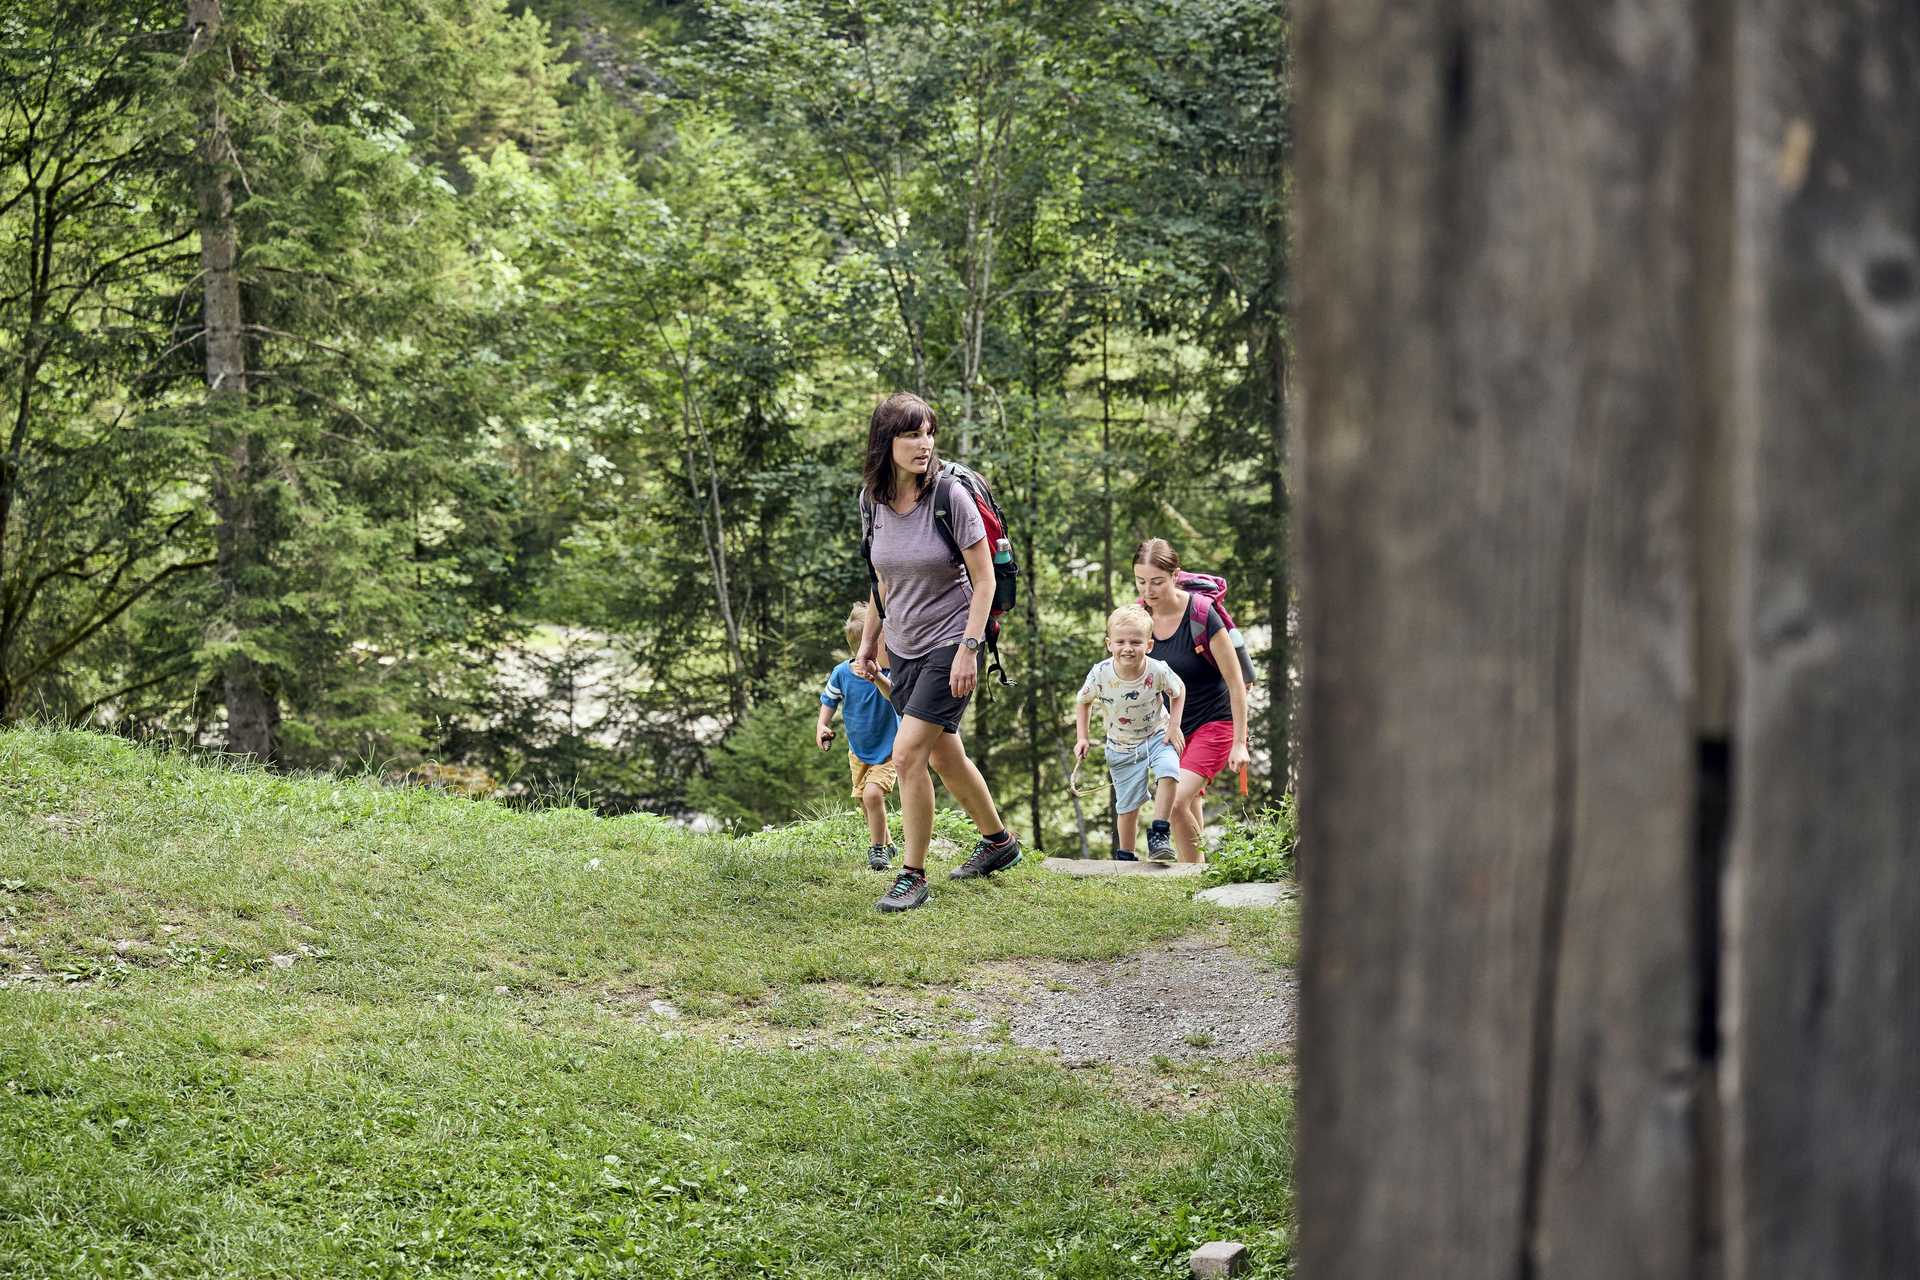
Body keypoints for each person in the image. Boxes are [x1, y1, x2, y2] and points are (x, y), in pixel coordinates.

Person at [853, 392, 1021, 912]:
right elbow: (882, 580)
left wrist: (970, 648)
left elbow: (984, 580)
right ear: (886, 442)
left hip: (952, 639)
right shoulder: (872, 501)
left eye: (928, 433)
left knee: (907, 755)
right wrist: (869, 642)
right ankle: (998, 842)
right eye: (912, 434)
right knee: (945, 755)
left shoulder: (950, 497)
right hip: (903, 645)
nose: (924, 444)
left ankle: (912, 875)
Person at [1134, 538, 1251, 862]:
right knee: (1188, 805)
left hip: (1216, 722)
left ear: (1175, 575)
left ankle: (1195, 876)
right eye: (1141, 581)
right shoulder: (1139, 616)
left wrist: (1239, 743)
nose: (1148, 590)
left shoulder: (1201, 614)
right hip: (1173, 729)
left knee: (1173, 803)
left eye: (1157, 581)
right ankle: (1197, 880)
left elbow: (1236, 683)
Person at [1074, 603, 1188, 862]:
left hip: (1158, 735)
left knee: (1169, 771)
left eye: (1136, 642)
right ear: (1109, 644)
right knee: (1127, 807)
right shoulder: (1100, 673)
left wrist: (1174, 726)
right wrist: (1082, 737)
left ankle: (1160, 833)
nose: (1128, 648)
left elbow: (1178, 690)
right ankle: (1126, 856)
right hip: (1121, 746)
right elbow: (1084, 701)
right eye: (1120, 642)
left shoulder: (1157, 670)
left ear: (1149, 645)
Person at [817, 603, 900, 871]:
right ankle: (887, 843)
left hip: (889, 749)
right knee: (865, 800)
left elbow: (895, 696)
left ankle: (877, 851)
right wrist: (822, 725)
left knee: (873, 795)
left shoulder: (891, 671)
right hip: (858, 749)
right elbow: (829, 699)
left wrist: (876, 676)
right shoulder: (842, 673)